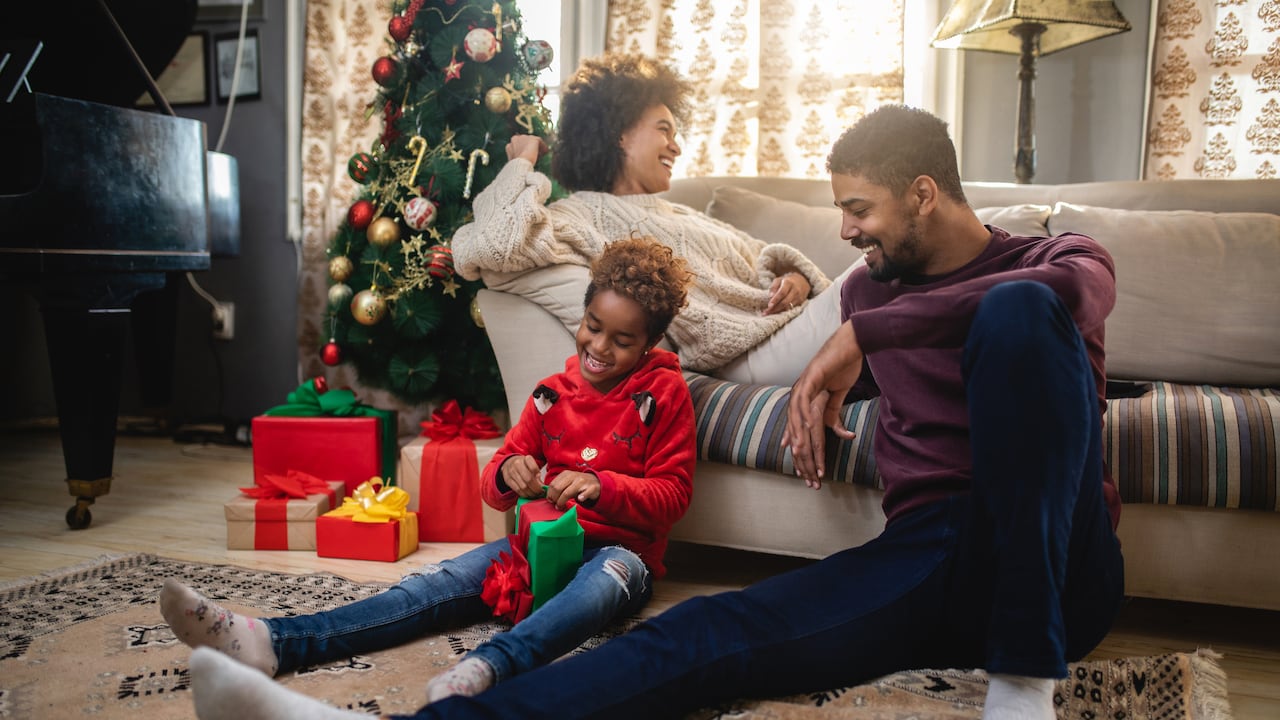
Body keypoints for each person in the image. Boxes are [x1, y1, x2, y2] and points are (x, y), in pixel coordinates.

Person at [185, 106, 1126, 720]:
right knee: (703, 633)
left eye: (859, 209)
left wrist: (862, 340)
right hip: (931, 554)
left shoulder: (1051, 260)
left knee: (1015, 313)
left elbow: (1066, 312)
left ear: (924, 194)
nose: (844, 233)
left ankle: (1023, 680)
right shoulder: (872, 291)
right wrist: (855, 330)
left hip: (1060, 566)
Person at [163, 236, 697, 716]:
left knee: (586, 601)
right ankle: (271, 641)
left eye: (622, 341)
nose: (599, 348)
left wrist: (604, 486)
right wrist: (510, 471)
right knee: (433, 586)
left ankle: (488, 669)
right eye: (593, 327)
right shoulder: (549, 393)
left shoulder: (665, 393)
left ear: (649, 344)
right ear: (582, 316)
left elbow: (673, 496)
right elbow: (493, 489)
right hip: (536, 544)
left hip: (623, 556)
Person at [452, 52, 858, 385]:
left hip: (793, 324)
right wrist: (522, 162)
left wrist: (795, 277)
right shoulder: (575, 217)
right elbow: (490, 245)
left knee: (886, 277)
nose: (676, 146)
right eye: (664, 130)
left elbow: (766, 257)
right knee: (880, 275)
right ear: (618, 133)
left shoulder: (681, 212)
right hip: (756, 353)